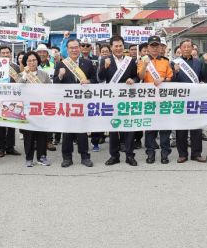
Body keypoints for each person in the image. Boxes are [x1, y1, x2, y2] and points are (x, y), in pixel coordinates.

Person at [53, 38, 98, 167]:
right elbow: (55, 83)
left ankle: (85, 157)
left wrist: (88, 82)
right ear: (67, 50)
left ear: (80, 48)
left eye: (76, 47)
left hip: (82, 103)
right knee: (67, 132)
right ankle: (67, 158)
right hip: (67, 103)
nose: (74, 50)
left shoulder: (87, 63)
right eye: (71, 48)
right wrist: (60, 76)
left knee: (82, 131)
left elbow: (95, 80)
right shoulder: (61, 64)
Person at [98, 35, 140, 166]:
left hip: (127, 99)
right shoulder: (106, 60)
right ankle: (114, 155)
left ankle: (129, 155)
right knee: (113, 128)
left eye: (120, 45)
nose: (118, 48)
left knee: (129, 127)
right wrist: (104, 67)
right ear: (111, 48)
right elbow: (100, 78)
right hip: (112, 99)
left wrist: (133, 80)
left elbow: (136, 77)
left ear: (124, 46)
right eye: (115, 46)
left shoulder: (130, 60)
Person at [137, 35, 174, 164]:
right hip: (149, 100)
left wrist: (163, 79)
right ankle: (150, 153)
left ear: (160, 47)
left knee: (164, 128)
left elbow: (171, 77)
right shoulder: (143, 60)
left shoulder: (165, 61)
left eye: (156, 46)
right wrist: (144, 66)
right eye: (152, 46)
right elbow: (140, 77)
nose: (154, 48)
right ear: (148, 47)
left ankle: (165, 153)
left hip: (164, 100)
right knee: (150, 128)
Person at [172, 39, 206, 163]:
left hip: (195, 99)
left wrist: (203, 81)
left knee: (196, 127)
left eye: (188, 47)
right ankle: (182, 154)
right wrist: (175, 71)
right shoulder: (174, 63)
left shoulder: (198, 62)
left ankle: (196, 153)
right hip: (180, 99)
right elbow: (171, 82)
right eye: (184, 47)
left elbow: (202, 77)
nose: (186, 49)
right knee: (181, 128)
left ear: (192, 48)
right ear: (180, 49)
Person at [17, 51, 52, 166]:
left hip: (41, 108)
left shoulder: (44, 75)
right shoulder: (22, 74)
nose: (32, 62)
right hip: (27, 109)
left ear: (38, 61)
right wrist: (25, 75)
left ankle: (42, 156)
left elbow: (50, 89)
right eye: (29, 61)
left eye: (34, 60)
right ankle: (29, 157)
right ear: (26, 63)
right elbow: (18, 87)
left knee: (42, 134)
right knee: (29, 134)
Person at [0, 45, 20, 157]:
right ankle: (0, 147)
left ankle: (10, 147)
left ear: (11, 54)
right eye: (3, 53)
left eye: (7, 53)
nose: (5, 55)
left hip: (12, 98)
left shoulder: (16, 67)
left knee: (11, 124)